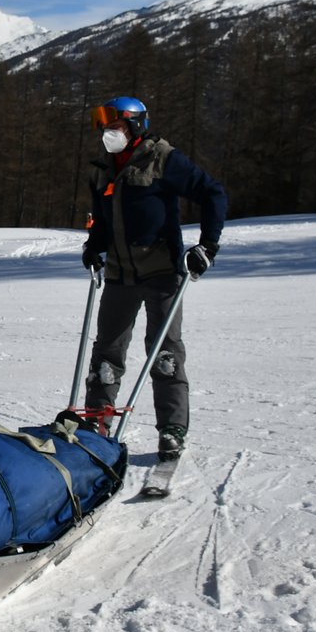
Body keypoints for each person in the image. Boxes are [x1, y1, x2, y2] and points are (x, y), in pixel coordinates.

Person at [80, 96, 226, 460]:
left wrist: (207, 245)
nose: (107, 134)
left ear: (135, 126)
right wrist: (92, 247)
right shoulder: (102, 168)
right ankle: (98, 422)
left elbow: (212, 193)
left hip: (162, 272)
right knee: (106, 355)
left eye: (114, 127)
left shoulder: (161, 158)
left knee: (164, 353)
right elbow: (103, 218)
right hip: (119, 273)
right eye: (105, 128)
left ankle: (172, 429)